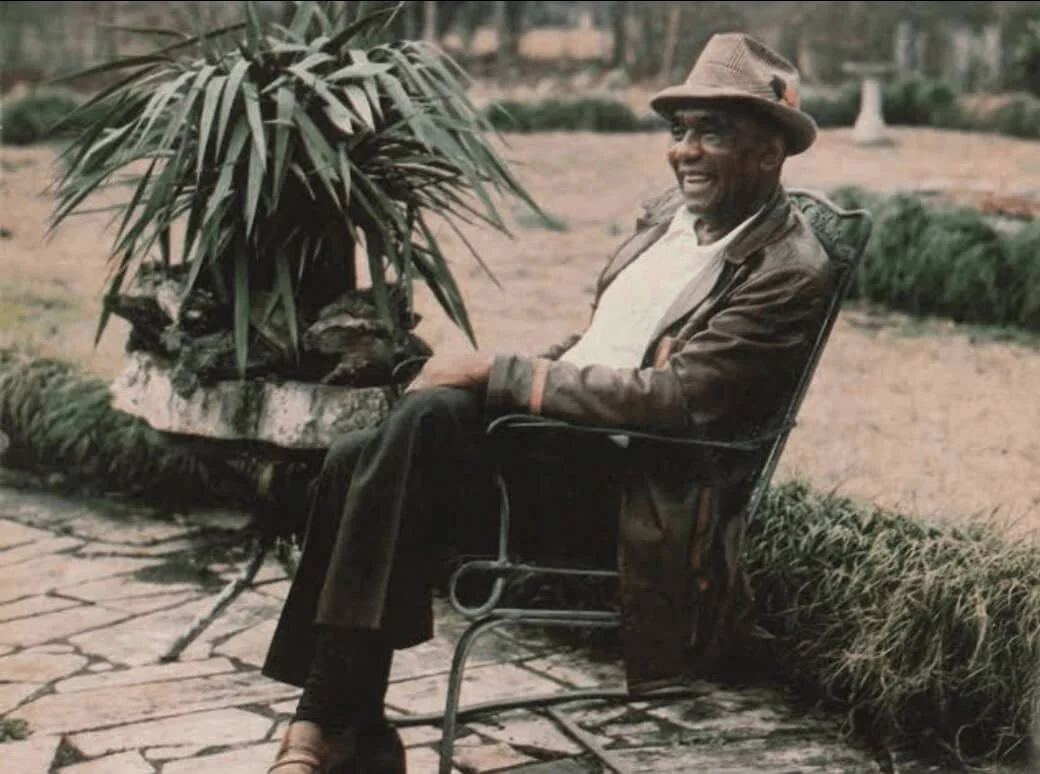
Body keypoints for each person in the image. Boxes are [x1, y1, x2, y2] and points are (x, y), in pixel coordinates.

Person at [264, 32, 834, 774]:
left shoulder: (787, 270)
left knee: (426, 419)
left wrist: (498, 374)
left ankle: (330, 725)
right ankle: (346, 721)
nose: (685, 151)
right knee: (354, 456)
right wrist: (514, 375)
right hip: (564, 452)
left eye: (713, 132)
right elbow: (602, 342)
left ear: (770, 152)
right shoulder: (672, 223)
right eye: (679, 130)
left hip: (638, 495)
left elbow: (678, 398)